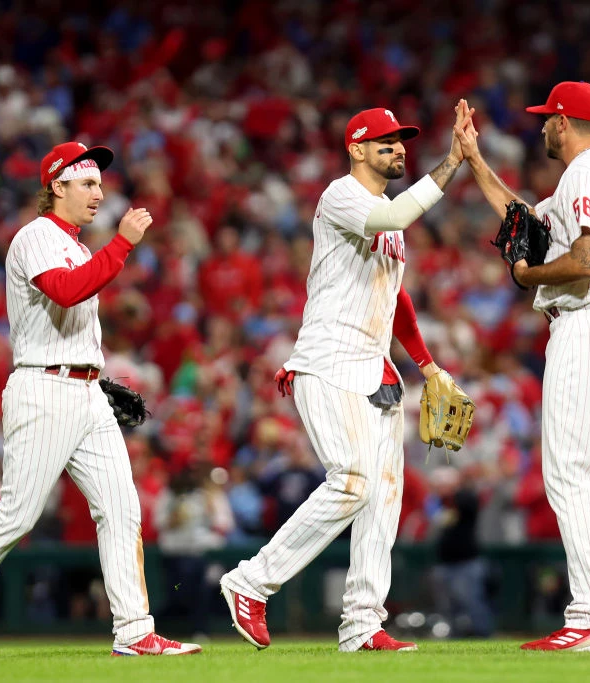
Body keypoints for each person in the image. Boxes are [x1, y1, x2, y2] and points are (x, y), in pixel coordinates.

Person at [0, 142, 201, 659]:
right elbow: (65, 291)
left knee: (122, 510)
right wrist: (123, 244)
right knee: (18, 514)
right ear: (56, 186)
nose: (99, 192)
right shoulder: (35, 236)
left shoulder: (80, 245)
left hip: (87, 391)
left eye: (98, 184)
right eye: (87, 184)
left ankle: (134, 631)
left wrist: (96, 370)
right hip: (43, 389)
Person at [219, 105, 472, 653]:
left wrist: (426, 363)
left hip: (374, 368)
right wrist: (451, 163)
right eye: (384, 142)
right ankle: (252, 581)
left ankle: (362, 624)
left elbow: (395, 295)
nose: (398, 148)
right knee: (353, 481)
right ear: (355, 148)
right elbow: (397, 219)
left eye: (401, 141)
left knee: (383, 500)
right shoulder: (341, 196)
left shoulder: (385, 211)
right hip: (329, 361)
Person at [453, 83, 590, 651]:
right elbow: (528, 223)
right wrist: (475, 161)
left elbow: (587, 261)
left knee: (568, 475)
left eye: (546, 119)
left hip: (587, 322)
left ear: (563, 122)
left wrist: (525, 277)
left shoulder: (585, 173)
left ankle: (588, 617)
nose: (541, 127)